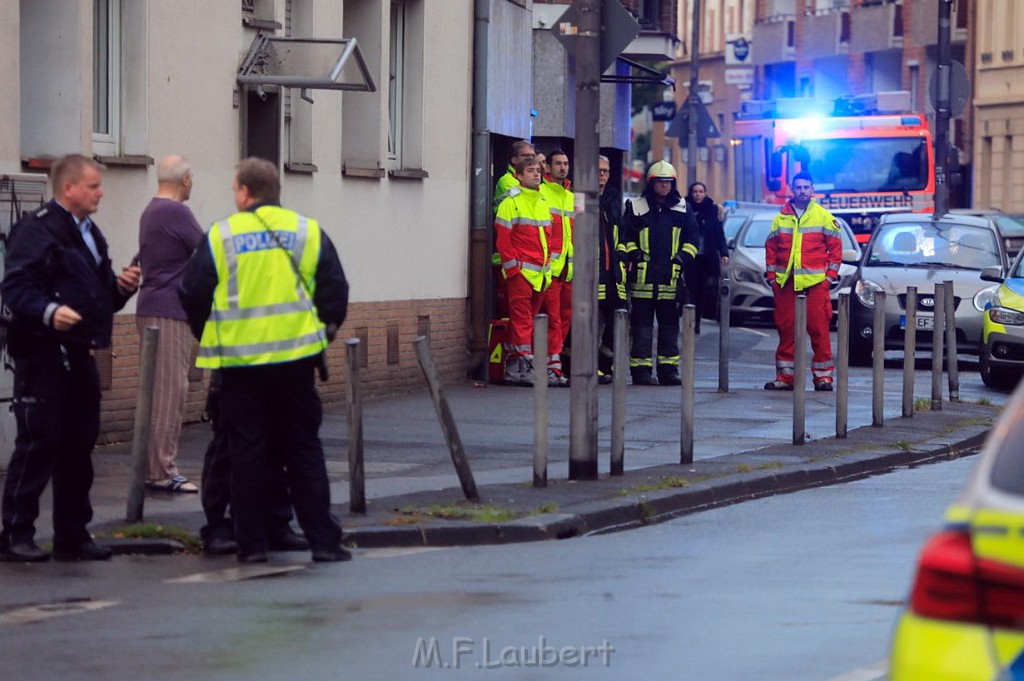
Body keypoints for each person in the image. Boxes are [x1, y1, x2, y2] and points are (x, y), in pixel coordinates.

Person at [179, 157, 351, 563]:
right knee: (304, 451)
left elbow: (192, 291)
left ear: (243, 192)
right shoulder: (307, 231)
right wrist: (322, 333)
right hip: (296, 363)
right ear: (277, 192)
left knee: (246, 453)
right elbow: (334, 291)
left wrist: (211, 333)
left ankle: (251, 544)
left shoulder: (222, 235)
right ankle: (323, 542)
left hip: (240, 366)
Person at [0, 154, 141, 562]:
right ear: (69, 189)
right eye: (93, 186)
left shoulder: (90, 233)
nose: (101, 193)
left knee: (79, 442)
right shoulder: (38, 230)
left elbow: (99, 299)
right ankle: (15, 533)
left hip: (81, 351)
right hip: (43, 352)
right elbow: (15, 288)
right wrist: (49, 312)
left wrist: (122, 287)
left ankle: (72, 533)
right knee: (40, 441)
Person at [136, 155, 205, 494]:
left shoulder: (152, 210)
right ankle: (161, 471)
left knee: (159, 389)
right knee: (170, 391)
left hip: (153, 307)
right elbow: (208, 253)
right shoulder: (176, 212)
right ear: (186, 180)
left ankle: (153, 467)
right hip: (169, 310)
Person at [197, 371, 310, 555]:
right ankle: (219, 527)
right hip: (233, 369)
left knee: (272, 446)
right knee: (226, 449)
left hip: (276, 369)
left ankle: (275, 524)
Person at [618, 160, 699, 386]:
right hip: (642, 280)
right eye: (660, 182)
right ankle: (641, 371)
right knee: (641, 329)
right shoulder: (635, 207)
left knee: (669, 329)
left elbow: (693, 240)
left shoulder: (683, 208)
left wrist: (681, 259)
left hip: (671, 281)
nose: (664, 186)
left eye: (668, 182)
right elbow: (625, 238)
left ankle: (668, 370)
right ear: (651, 183)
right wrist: (636, 256)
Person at [764, 171, 843, 392]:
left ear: (812, 189)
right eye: (798, 187)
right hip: (786, 283)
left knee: (818, 329)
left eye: (806, 187)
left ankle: (823, 377)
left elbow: (836, 249)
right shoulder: (781, 217)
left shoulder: (823, 216)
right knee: (786, 330)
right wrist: (772, 278)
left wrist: (828, 279)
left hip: (815, 283)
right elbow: (770, 248)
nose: (802, 191)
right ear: (792, 188)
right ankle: (785, 376)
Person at [494, 155, 553, 385]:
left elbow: (546, 240)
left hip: (539, 274)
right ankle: (522, 366)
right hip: (521, 274)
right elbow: (504, 242)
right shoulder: (511, 202)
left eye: (538, 170)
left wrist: (546, 270)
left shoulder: (541, 200)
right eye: (530, 170)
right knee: (522, 321)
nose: (536, 174)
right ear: (518, 175)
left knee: (528, 320)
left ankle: (516, 363)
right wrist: (513, 272)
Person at [539, 149, 573, 387]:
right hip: (550, 269)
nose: (563, 167)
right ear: (548, 168)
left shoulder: (572, 196)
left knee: (565, 318)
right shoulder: (541, 193)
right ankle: (551, 366)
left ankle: (554, 364)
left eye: (566, 163)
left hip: (569, 269)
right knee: (552, 319)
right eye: (558, 164)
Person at [683, 182, 729, 334]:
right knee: (688, 290)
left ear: (705, 193)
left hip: (706, 257)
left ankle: (696, 322)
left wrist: (724, 253)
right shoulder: (684, 207)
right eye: (695, 191)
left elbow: (718, 233)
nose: (698, 194)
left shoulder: (711, 209)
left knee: (702, 291)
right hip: (688, 257)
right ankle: (686, 319)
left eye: (701, 191)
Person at [597, 155, 626, 383]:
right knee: (589, 322)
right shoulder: (581, 199)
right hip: (592, 273)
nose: (602, 175)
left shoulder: (613, 200)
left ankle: (605, 366)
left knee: (614, 323)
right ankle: (584, 366)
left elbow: (621, 236)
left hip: (613, 274)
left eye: (606, 171)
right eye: (598, 170)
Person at [493, 139, 536, 209]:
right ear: (514, 160)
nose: (531, 159)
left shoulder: (533, 177)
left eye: (533, 156)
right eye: (527, 156)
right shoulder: (507, 180)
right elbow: (526, 200)